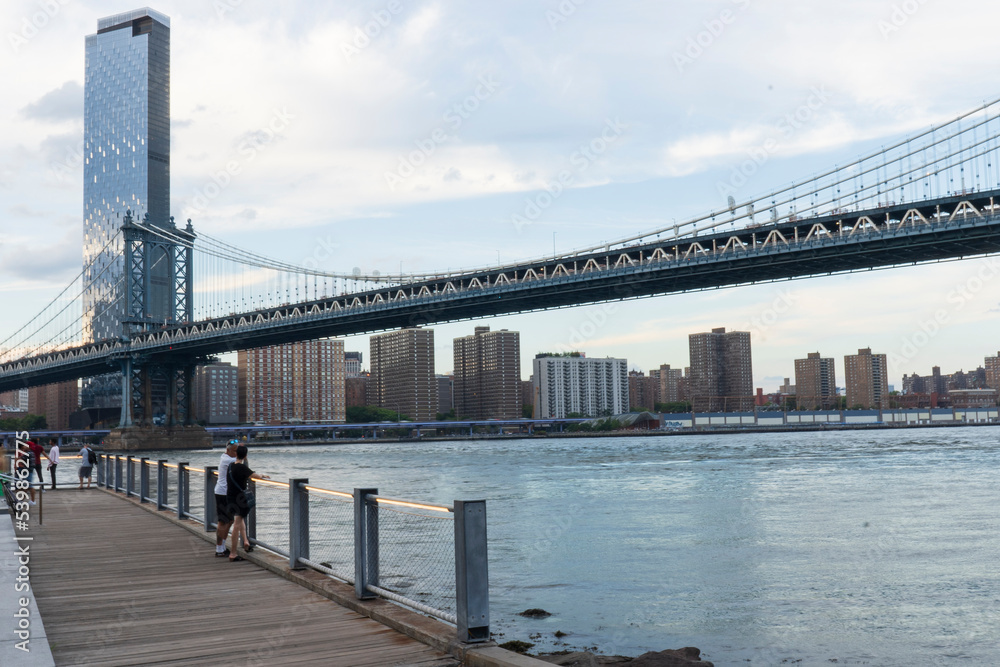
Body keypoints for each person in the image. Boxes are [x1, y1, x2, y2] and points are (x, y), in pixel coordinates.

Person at [227, 444, 269, 562]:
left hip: (230, 498)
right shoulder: (243, 468)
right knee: (236, 525)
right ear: (245, 455)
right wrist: (263, 475)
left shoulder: (230, 466)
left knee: (239, 520)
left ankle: (245, 541)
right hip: (239, 499)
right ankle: (233, 553)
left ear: (236, 454)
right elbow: (256, 476)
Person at [213, 440, 239, 558]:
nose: (236, 453)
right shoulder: (228, 460)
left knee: (230, 520)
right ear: (228, 450)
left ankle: (222, 546)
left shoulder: (224, 456)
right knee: (223, 521)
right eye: (234, 451)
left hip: (226, 493)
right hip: (223, 493)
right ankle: (219, 549)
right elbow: (242, 463)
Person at [25, 440, 48, 504]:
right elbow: (44, 454)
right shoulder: (39, 447)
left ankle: (28, 492)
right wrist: (49, 459)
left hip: (30, 465)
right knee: (40, 476)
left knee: (29, 478)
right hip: (38, 463)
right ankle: (42, 488)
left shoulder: (30, 450)